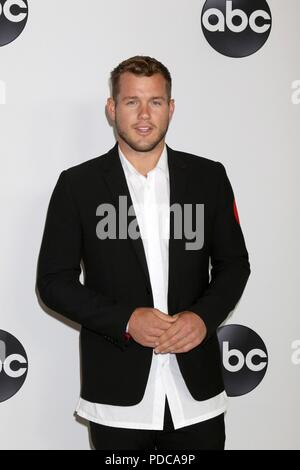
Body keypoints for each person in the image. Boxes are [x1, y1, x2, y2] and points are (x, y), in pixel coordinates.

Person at [36, 56, 250, 450]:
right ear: (112, 109)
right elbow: (54, 282)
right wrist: (126, 321)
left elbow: (234, 265)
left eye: (155, 101)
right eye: (132, 102)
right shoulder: (77, 185)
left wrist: (202, 319)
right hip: (118, 399)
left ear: (171, 107)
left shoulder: (208, 177)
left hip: (196, 397)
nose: (145, 114)